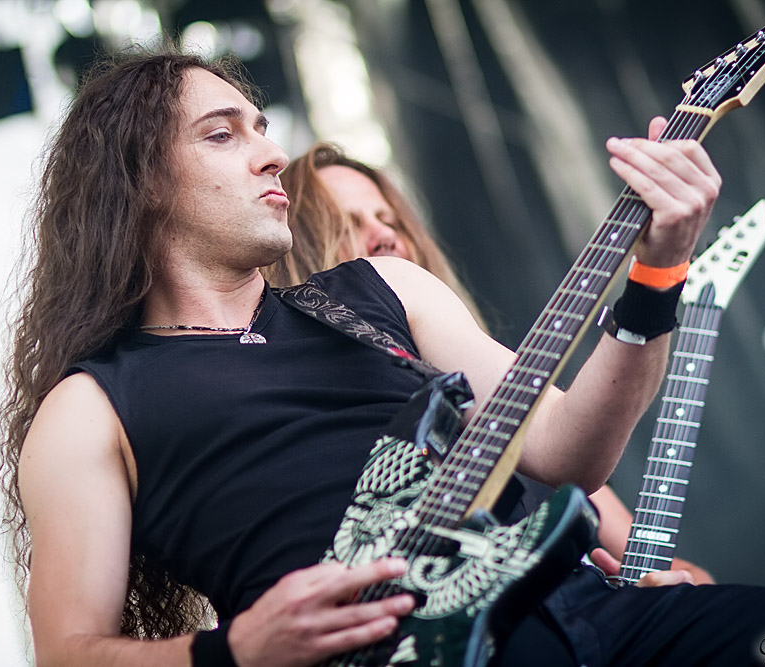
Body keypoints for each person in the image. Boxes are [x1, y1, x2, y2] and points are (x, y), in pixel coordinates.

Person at [0, 48, 765, 667]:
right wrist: (234, 651)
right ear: (139, 183)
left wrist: (658, 268)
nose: (269, 154)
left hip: (600, 616)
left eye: (261, 126)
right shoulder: (92, 406)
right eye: (222, 134)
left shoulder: (384, 292)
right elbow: (70, 651)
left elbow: (569, 450)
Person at [266, 141, 714, 585]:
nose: (385, 235)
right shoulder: (328, 429)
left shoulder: (496, 388)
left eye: (391, 220)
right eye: (347, 223)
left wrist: (676, 587)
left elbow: (664, 564)